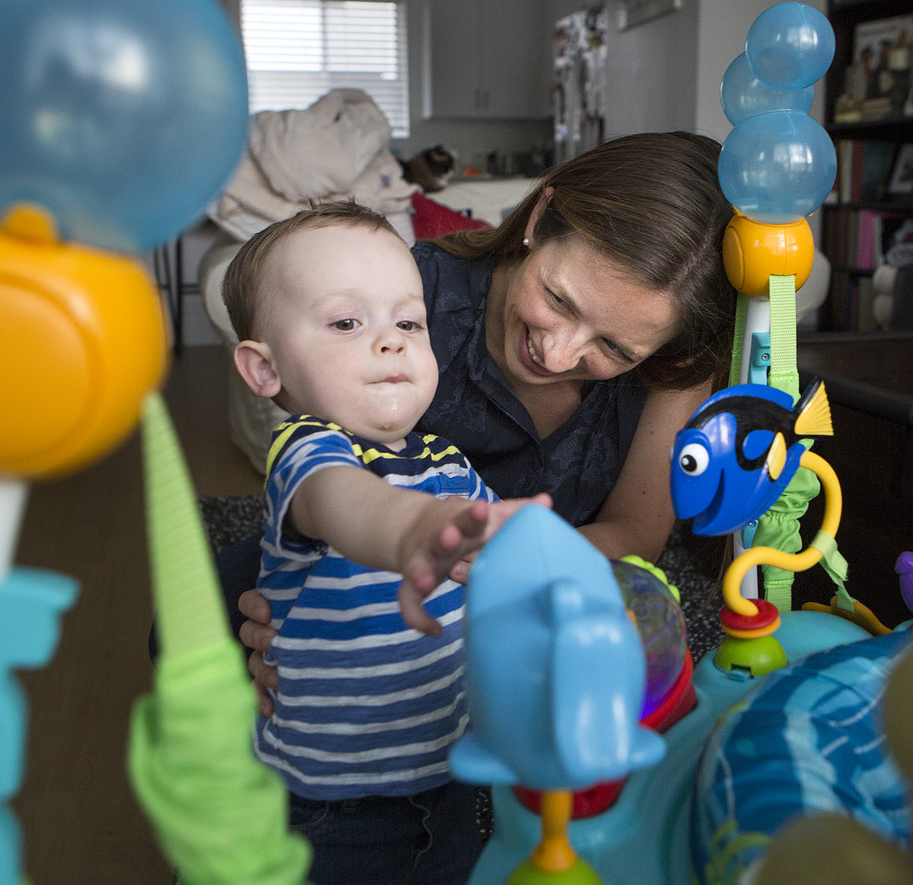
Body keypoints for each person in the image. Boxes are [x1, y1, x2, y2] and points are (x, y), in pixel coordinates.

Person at [227, 130, 739, 709]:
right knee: (215, 621)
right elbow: (324, 474)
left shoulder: (673, 359)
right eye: (559, 300)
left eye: (615, 350)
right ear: (540, 216)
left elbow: (636, 532)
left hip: (544, 572)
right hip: (370, 554)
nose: (559, 355)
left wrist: (508, 577)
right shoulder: (403, 302)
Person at [222, 200, 550, 884]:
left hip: (449, 779)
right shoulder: (307, 453)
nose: (392, 340)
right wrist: (416, 530)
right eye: (347, 322)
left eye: (408, 320)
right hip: (329, 806)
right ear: (264, 370)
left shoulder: (448, 464)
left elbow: (503, 564)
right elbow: (348, 505)